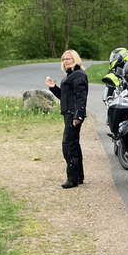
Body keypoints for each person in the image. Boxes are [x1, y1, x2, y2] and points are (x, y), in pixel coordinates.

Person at [45, 49, 88, 189]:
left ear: (75, 59)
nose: (65, 61)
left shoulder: (78, 75)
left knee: (68, 145)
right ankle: (78, 176)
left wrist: (78, 115)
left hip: (73, 114)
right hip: (69, 113)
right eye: (63, 59)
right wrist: (53, 88)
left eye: (68, 59)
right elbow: (65, 97)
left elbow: (81, 96)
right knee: (74, 144)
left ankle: (72, 179)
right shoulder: (71, 75)